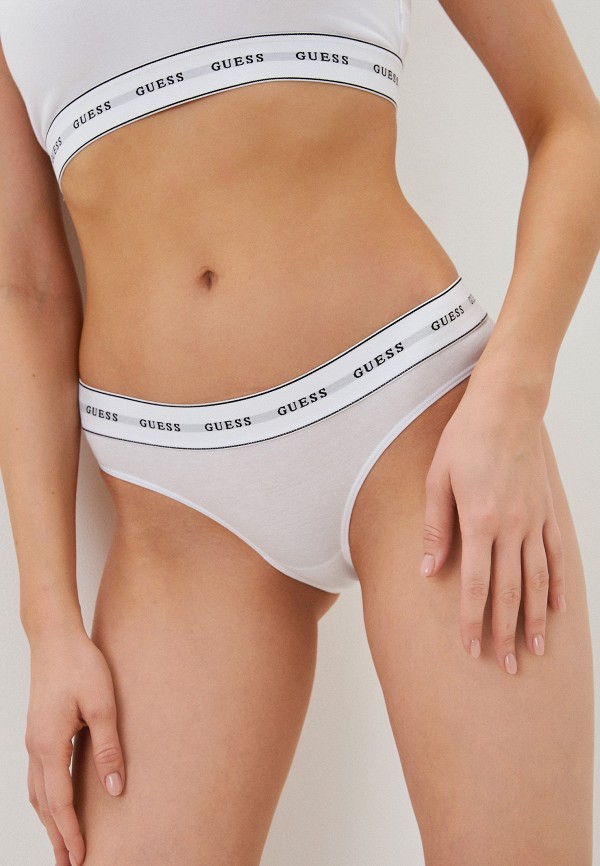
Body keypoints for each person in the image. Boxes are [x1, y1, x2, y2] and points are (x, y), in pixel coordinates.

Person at [0, 0, 598, 863]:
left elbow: (571, 124)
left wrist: (512, 400)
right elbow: (23, 284)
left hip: (425, 436)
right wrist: (48, 620)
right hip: (176, 521)